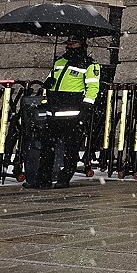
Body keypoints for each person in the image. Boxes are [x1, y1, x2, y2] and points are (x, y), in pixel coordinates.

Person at [31, 35, 100, 188]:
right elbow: (49, 84)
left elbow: (93, 88)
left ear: (82, 44)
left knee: (71, 149)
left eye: (73, 43)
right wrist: (46, 93)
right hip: (53, 111)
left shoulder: (89, 64)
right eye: (68, 43)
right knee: (47, 147)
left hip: (73, 113)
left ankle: (64, 178)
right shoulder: (59, 61)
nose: (69, 46)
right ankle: (43, 180)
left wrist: (86, 108)